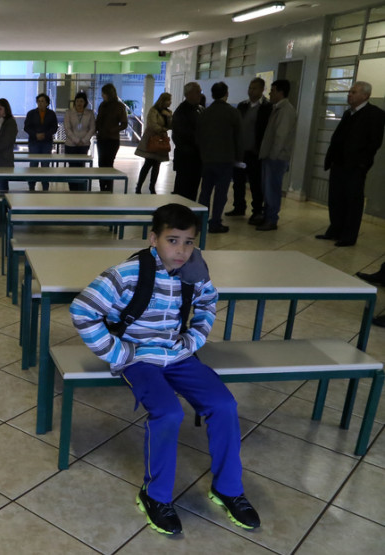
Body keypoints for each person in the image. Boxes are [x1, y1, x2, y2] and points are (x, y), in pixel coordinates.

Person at [69, 203, 260, 536]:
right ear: (153, 238)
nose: (181, 250)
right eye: (173, 240)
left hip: (177, 355)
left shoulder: (193, 271)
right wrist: (117, 352)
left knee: (224, 405)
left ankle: (228, 488)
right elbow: (83, 310)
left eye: (189, 242)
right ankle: (155, 495)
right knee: (169, 413)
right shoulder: (129, 273)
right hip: (138, 358)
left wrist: (193, 341)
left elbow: (207, 303)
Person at [317, 81, 385, 247]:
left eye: (353, 92)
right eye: (349, 92)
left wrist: (361, 164)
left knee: (352, 202)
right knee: (336, 199)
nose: (349, 95)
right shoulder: (349, 113)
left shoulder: (375, 114)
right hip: (338, 164)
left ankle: (348, 236)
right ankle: (335, 230)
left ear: (365, 96)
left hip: (355, 167)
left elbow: (374, 143)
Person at [197, 82, 243, 233]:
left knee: (205, 192)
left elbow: (199, 136)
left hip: (208, 159)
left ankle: (200, 222)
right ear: (226, 93)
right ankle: (215, 222)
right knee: (220, 193)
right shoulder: (232, 112)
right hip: (225, 159)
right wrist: (239, 157)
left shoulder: (205, 112)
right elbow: (238, 136)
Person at [228, 78, 272, 224]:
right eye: (250, 88)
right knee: (238, 182)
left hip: (255, 152)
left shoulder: (267, 107)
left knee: (255, 183)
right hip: (240, 152)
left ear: (261, 90)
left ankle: (257, 211)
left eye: (254, 88)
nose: (251, 91)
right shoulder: (242, 105)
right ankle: (239, 207)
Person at [255, 79, 297, 231]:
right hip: (270, 156)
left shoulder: (286, 110)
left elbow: (280, 136)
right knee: (267, 189)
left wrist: (272, 156)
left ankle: (272, 219)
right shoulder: (277, 108)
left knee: (272, 189)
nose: (270, 94)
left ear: (280, 92)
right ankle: (267, 216)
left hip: (276, 158)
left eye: (272, 91)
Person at [133, 92, 173, 194]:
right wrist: (163, 129)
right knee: (148, 164)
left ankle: (152, 186)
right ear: (163, 100)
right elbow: (152, 125)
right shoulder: (153, 111)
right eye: (168, 100)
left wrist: (168, 117)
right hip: (151, 140)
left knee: (157, 165)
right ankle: (139, 186)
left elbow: (171, 125)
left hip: (161, 141)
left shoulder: (168, 112)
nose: (170, 102)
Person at [171, 82, 203, 201]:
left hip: (196, 158)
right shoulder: (181, 111)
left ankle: (189, 212)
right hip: (186, 157)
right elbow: (182, 135)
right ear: (188, 94)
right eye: (197, 92)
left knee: (193, 189)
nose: (200, 95)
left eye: (200, 92)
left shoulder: (199, 109)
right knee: (183, 189)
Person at [95, 83, 128, 192]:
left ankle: (108, 187)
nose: (102, 95)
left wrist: (113, 129)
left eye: (104, 93)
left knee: (108, 164)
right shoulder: (102, 105)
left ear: (108, 94)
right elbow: (98, 121)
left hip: (112, 139)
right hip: (101, 138)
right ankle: (102, 187)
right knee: (101, 163)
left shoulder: (119, 106)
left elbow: (124, 123)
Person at [23, 93, 59, 191]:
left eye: (42, 101)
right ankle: (31, 186)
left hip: (46, 142)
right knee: (33, 165)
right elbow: (27, 127)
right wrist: (35, 134)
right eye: (39, 101)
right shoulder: (31, 113)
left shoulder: (51, 114)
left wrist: (45, 134)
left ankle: (45, 186)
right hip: (34, 141)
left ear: (47, 103)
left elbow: (54, 128)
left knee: (45, 165)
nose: (40, 103)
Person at [63, 91, 96, 191]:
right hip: (71, 145)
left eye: (81, 101)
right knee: (72, 167)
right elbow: (67, 129)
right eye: (77, 101)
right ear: (75, 102)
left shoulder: (89, 113)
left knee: (81, 166)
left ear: (85, 102)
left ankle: (81, 189)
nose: (79, 103)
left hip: (84, 145)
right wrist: (76, 140)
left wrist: (84, 140)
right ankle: (72, 188)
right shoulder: (69, 113)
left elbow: (92, 128)